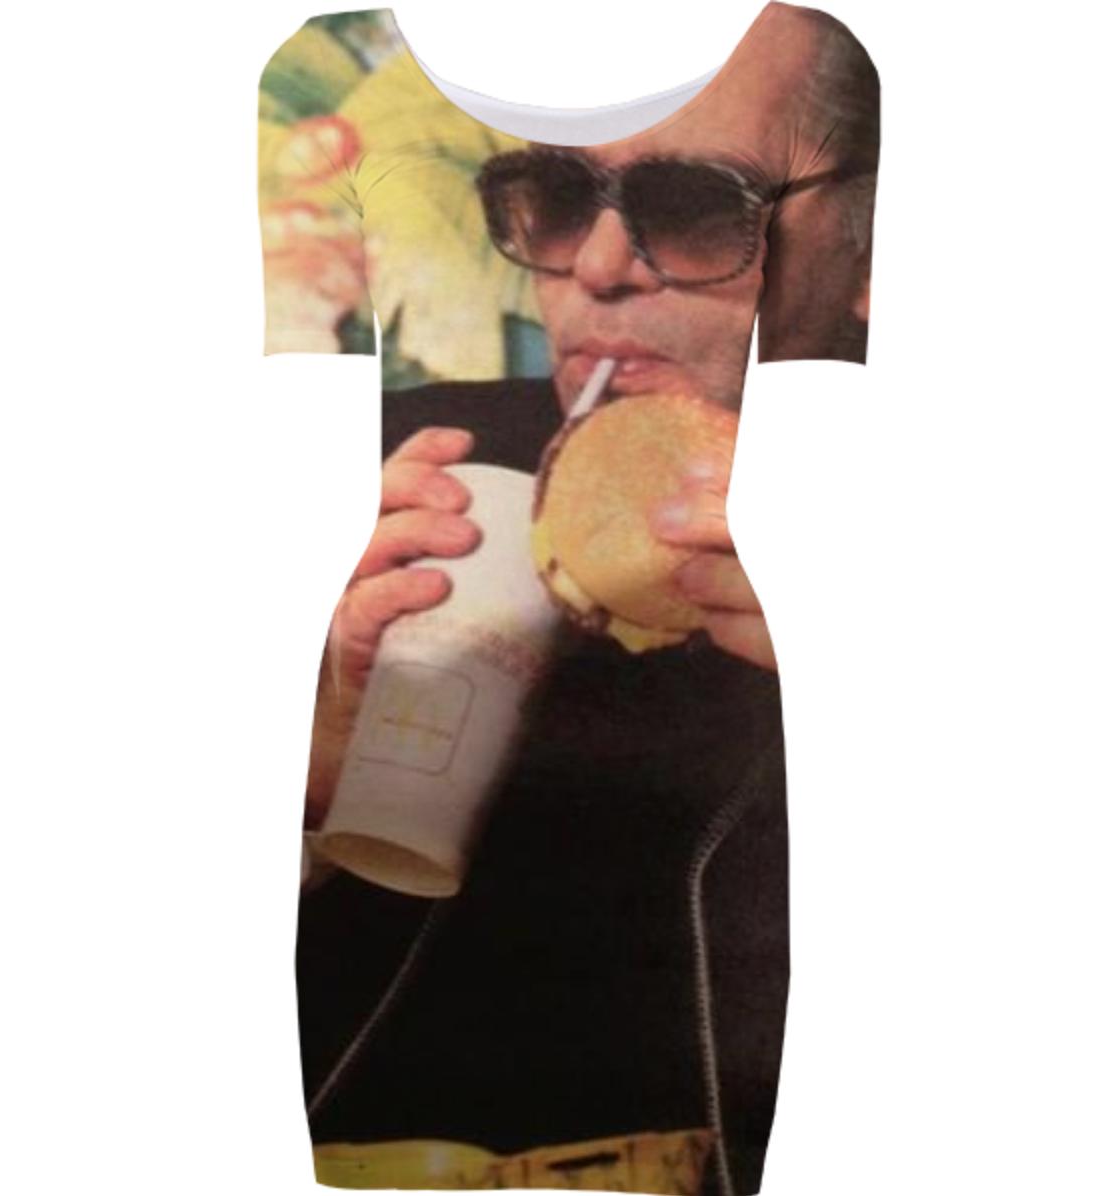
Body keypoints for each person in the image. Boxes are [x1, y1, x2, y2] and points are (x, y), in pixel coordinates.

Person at [280, 7, 879, 1196]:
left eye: (699, 206)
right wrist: (291, 761)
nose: (596, 267)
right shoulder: (392, 485)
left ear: (864, 252)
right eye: (554, 201)